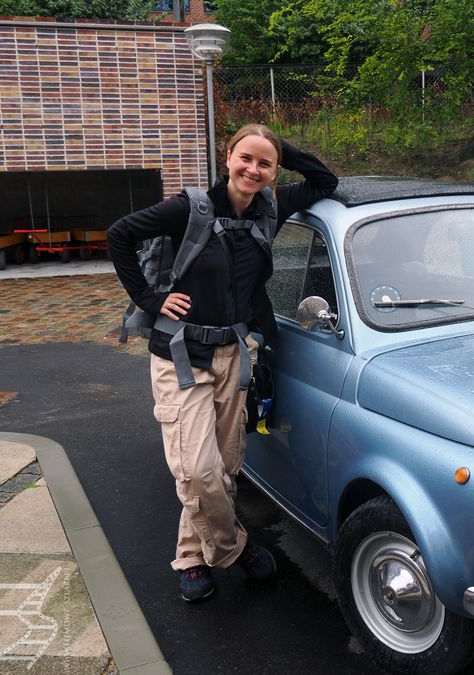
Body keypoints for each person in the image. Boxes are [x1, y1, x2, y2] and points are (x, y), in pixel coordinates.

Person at [108, 124, 338, 602]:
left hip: (234, 354)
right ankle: (233, 549)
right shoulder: (189, 208)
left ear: (274, 171)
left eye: (265, 163)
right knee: (196, 470)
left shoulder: (272, 206)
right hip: (181, 355)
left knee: (225, 465)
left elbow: (324, 182)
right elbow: (120, 234)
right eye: (245, 158)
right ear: (226, 156)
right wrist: (150, 298)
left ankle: (191, 556)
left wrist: (279, 145)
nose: (253, 170)